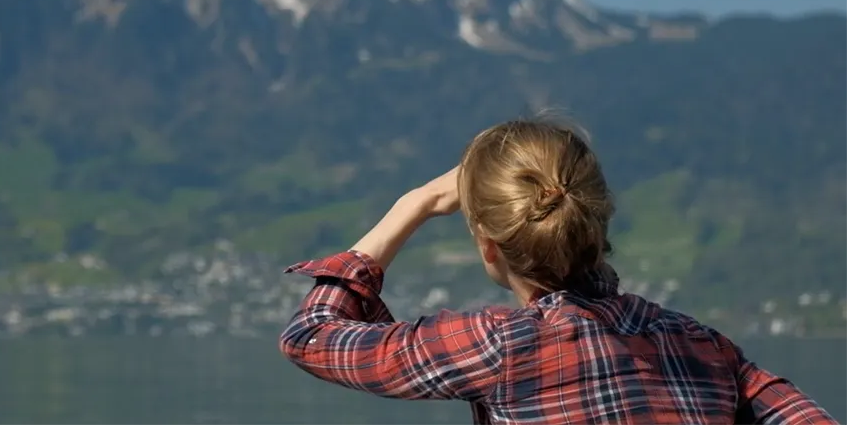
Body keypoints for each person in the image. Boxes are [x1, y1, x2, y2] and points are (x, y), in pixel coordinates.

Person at [278, 118, 836, 424]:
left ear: (489, 246)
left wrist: (416, 203)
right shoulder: (707, 349)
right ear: (599, 219)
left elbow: (310, 337)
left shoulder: (495, 348)